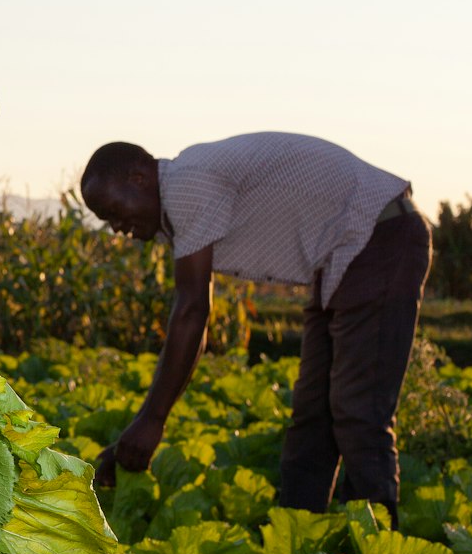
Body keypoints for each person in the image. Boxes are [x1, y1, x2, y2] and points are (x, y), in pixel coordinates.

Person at [80, 132, 432, 525]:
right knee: (313, 417)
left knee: (358, 411)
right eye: (105, 221)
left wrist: (151, 420)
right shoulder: (182, 200)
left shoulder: (185, 183)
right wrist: (150, 419)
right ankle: (297, 542)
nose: (115, 227)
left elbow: (194, 310)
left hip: (378, 237)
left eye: (113, 210)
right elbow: (194, 313)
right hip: (341, 256)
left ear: (139, 177)